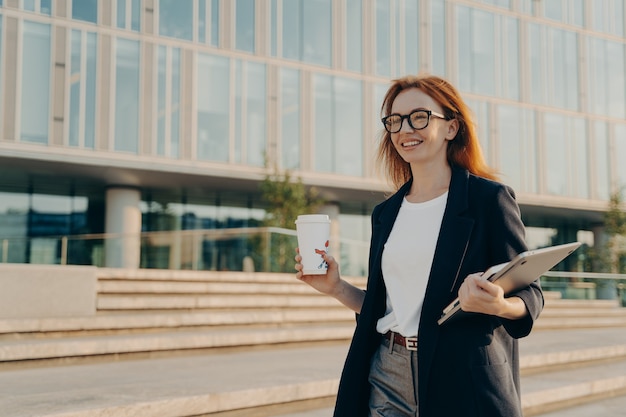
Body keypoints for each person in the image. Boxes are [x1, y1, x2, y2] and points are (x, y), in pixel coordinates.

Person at [294, 74, 543, 417]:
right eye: (395, 121)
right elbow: (387, 309)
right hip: (387, 369)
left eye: (419, 117)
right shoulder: (386, 213)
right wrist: (336, 287)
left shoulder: (489, 200)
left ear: (451, 128)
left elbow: (531, 296)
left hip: (460, 373)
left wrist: (497, 304)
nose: (405, 129)